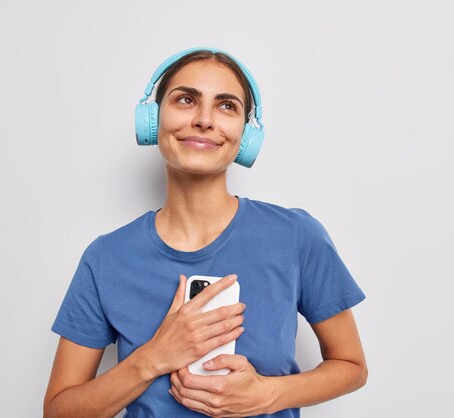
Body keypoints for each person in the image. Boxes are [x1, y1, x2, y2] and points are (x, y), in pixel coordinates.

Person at [43, 47, 368, 418]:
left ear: (245, 135)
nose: (204, 120)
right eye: (185, 100)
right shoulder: (106, 257)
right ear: (153, 118)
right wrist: (153, 357)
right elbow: (59, 412)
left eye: (226, 106)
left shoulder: (296, 236)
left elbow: (352, 366)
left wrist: (270, 393)